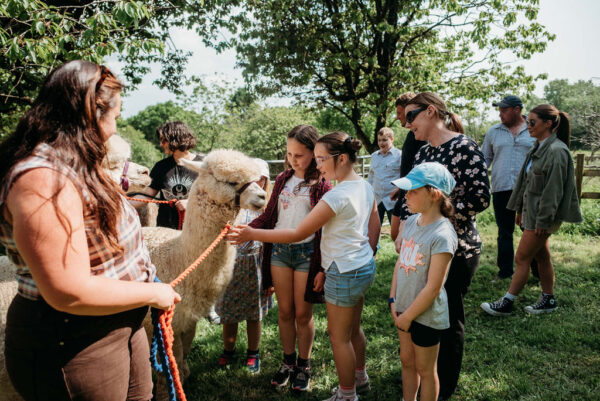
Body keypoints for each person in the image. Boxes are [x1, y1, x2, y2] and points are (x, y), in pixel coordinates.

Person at [0, 60, 181, 401]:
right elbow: (69, 292)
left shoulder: (77, 163)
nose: (114, 128)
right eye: (114, 117)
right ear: (93, 113)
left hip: (117, 325)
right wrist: (153, 293)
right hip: (74, 339)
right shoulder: (42, 179)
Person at [230, 132, 380, 401]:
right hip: (352, 264)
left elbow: (299, 233)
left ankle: (343, 392)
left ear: (339, 158)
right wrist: (369, 250)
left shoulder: (332, 193)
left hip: (331, 264)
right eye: (289, 154)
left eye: (320, 158)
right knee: (346, 327)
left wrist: (252, 235)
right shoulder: (363, 186)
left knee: (336, 335)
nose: (318, 165)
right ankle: (355, 378)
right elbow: (374, 219)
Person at [397, 92, 491, 400]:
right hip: (420, 246)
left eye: (411, 116)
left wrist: (439, 216)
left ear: (432, 111)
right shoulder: (423, 151)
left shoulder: (465, 147)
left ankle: (441, 387)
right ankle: (423, 374)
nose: (406, 123)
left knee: (447, 319)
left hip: (457, 248)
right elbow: (409, 192)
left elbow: (480, 198)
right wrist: (405, 228)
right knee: (422, 312)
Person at [244, 125, 332, 392]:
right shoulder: (282, 179)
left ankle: (303, 365)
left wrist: (323, 267)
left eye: (300, 155)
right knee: (285, 311)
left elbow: (325, 230)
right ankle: (288, 361)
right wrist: (246, 231)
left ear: (314, 154)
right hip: (280, 253)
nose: (293, 160)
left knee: (303, 314)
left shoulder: (323, 185)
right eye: (290, 154)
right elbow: (269, 217)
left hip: (307, 254)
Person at [481, 104, 582, 316]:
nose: (528, 126)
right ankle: (548, 300)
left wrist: (543, 221)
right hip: (533, 214)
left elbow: (553, 192)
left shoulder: (556, 151)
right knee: (542, 256)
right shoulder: (537, 147)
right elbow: (527, 186)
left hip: (543, 217)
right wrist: (521, 211)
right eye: (528, 122)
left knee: (522, 258)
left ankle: (507, 303)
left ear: (549, 123)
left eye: (532, 122)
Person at [390, 162, 458, 401]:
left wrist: (408, 316)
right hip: (403, 307)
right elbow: (400, 264)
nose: (405, 196)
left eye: (412, 191)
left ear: (434, 194)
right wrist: (393, 299)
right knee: (407, 362)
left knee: (426, 370)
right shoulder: (409, 222)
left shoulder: (442, 234)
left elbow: (433, 287)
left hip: (426, 316)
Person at [215, 159, 272, 373]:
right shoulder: (232, 205)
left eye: (262, 178)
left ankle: (253, 352)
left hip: (255, 265)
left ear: (266, 180)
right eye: (253, 178)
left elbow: (270, 240)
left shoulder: (267, 208)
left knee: (253, 313)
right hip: (231, 265)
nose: (258, 181)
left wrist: (269, 276)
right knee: (229, 312)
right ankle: (228, 350)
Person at [482, 95, 537, 280]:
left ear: (516, 110)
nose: (500, 114)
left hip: (528, 190)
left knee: (531, 232)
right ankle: (505, 272)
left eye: (503, 110)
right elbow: (485, 160)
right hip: (501, 188)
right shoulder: (493, 132)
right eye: (499, 110)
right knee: (504, 232)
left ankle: (538, 272)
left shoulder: (533, 129)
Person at [131, 121, 203, 230]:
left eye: (163, 140)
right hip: (165, 231)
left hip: (196, 231)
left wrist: (191, 203)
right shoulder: (161, 166)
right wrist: (121, 206)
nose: (161, 144)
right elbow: (146, 196)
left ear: (175, 139)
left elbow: (215, 199)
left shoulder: (204, 165)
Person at [390, 91, 427, 241]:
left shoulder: (419, 137)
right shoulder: (412, 135)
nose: (398, 117)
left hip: (413, 197)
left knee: (404, 240)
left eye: (400, 112)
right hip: (404, 191)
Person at [367, 127, 402, 225]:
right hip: (377, 200)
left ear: (392, 139)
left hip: (393, 200)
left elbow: (404, 176)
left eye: (384, 140)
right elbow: (371, 176)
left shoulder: (399, 155)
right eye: (379, 140)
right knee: (374, 230)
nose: (381, 143)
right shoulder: (374, 156)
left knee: (396, 229)